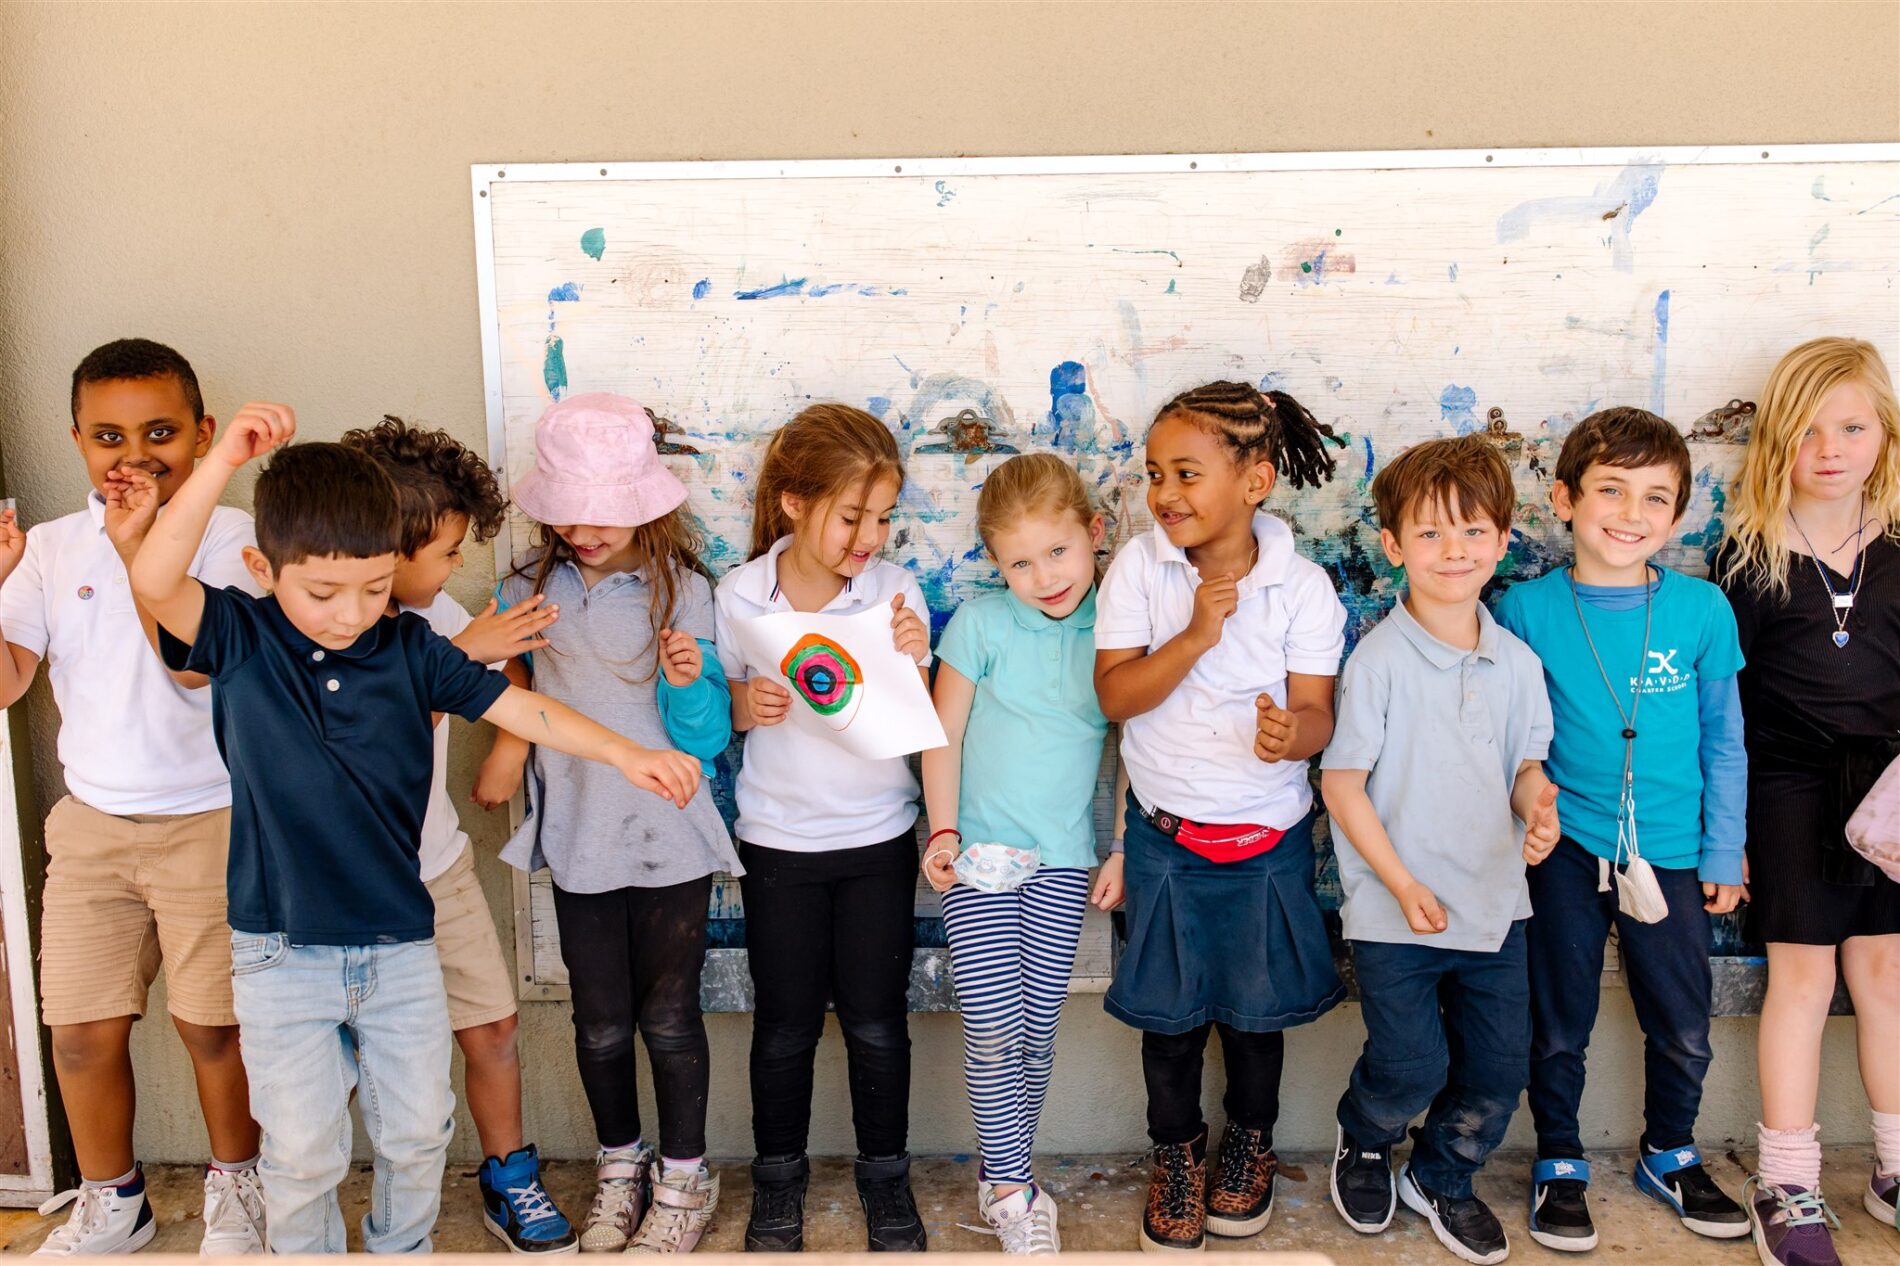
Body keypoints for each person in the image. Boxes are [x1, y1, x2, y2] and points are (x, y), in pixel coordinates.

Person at [126, 401, 701, 1253]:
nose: (350, 612)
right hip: (281, 950)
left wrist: (625, 753)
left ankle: (403, 1248)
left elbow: (526, 709)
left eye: (370, 587)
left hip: (398, 944)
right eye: (323, 592)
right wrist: (223, 464)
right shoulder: (241, 636)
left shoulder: (411, 647)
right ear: (262, 567)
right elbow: (154, 578)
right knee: (305, 1150)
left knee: (419, 1133)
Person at [0, 339, 265, 1256]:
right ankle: (113, 1200)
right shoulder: (46, 549)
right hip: (91, 827)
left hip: (213, 817)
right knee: (77, 1029)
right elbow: (7, 683)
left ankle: (240, 1190)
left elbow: (197, 674)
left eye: (160, 432)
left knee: (216, 1028)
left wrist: (141, 552)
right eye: (109, 435)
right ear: (76, 440)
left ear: (199, 434)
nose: (134, 454)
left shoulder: (232, 538)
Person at [474, 394, 739, 1255]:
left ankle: (685, 1178)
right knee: (597, 1020)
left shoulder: (681, 588)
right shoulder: (521, 589)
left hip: (669, 831)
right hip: (580, 832)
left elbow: (704, 740)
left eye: (605, 511)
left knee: (669, 1018)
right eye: (569, 510)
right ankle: (620, 1167)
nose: (585, 528)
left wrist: (693, 681)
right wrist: (504, 716)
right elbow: (497, 689)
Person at [1093, 379, 1348, 1252]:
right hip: (1166, 844)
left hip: (1267, 845)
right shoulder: (1140, 566)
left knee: (1254, 1017)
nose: (1166, 494)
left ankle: (1249, 1143)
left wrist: (1293, 736)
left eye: (1189, 473)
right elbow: (1118, 695)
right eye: (1156, 473)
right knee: (1168, 1024)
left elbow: (1319, 714)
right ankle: (1175, 1152)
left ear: (1256, 480)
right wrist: (1196, 635)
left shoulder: (1303, 589)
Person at [1493, 407, 1750, 1252]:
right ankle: (1559, 1158)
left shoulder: (1703, 611)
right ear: (1565, 499)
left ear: (1678, 516)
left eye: (1654, 498)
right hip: (1563, 849)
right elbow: (1506, 736)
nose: (1630, 513)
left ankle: (1669, 1151)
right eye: (1610, 489)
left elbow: (1725, 738)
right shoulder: (1526, 610)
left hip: (1670, 850)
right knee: (1557, 1017)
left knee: (1681, 1019)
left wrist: (1722, 848)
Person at [1321, 434, 1560, 1264]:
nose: (1452, 551)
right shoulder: (1380, 662)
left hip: (1496, 909)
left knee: (1497, 1072)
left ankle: (1443, 1177)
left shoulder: (1520, 665)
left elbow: (1524, 769)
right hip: (1397, 911)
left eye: (1472, 532)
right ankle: (1365, 1137)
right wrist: (1399, 880)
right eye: (1429, 533)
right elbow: (1342, 785)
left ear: (1502, 539)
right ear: (1393, 547)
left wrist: (1539, 809)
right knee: (1412, 1062)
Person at [341, 415, 576, 1253]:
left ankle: (508, 1175)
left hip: (433, 866)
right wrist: (462, 652)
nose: (451, 571)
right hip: (337, 889)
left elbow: (502, 670)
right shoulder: (315, 618)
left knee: (493, 1025)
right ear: (383, 542)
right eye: (441, 553)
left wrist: (511, 741)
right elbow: (363, 723)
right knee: (348, 1062)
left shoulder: (437, 609)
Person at [712, 403, 932, 1252]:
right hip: (779, 842)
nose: (869, 537)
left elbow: (919, 719)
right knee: (785, 1022)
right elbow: (710, 711)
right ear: (795, 503)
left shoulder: (894, 590)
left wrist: (917, 657)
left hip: (878, 837)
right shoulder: (740, 595)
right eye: (852, 517)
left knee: (879, 1020)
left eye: (882, 518)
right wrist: (737, 703)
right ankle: (779, 1179)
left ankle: (886, 1175)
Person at [1714, 337, 1900, 1265]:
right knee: (1802, 979)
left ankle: (1895, 1166)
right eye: (1809, 429)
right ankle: (1786, 1183)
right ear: (1778, 438)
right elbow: (1726, 704)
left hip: (1892, 793)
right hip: (1784, 789)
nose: (1831, 448)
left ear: (1885, 435)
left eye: (1853, 426)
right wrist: (1729, 829)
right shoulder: (1745, 557)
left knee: (1885, 975)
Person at [920, 453, 1121, 1253]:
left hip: (1066, 856)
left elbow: (1138, 737)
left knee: (1038, 1025)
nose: (1043, 576)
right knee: (993, 1022)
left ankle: (1011, 1167)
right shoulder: (982, 624)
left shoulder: (1117, 623)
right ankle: (1010, 1187)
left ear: (1094, 533)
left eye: (1059, 552)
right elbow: (944, 733)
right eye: (1019, 562)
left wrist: (1122, 846)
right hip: (981, 856)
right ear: (995, 564)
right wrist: (941, 832)